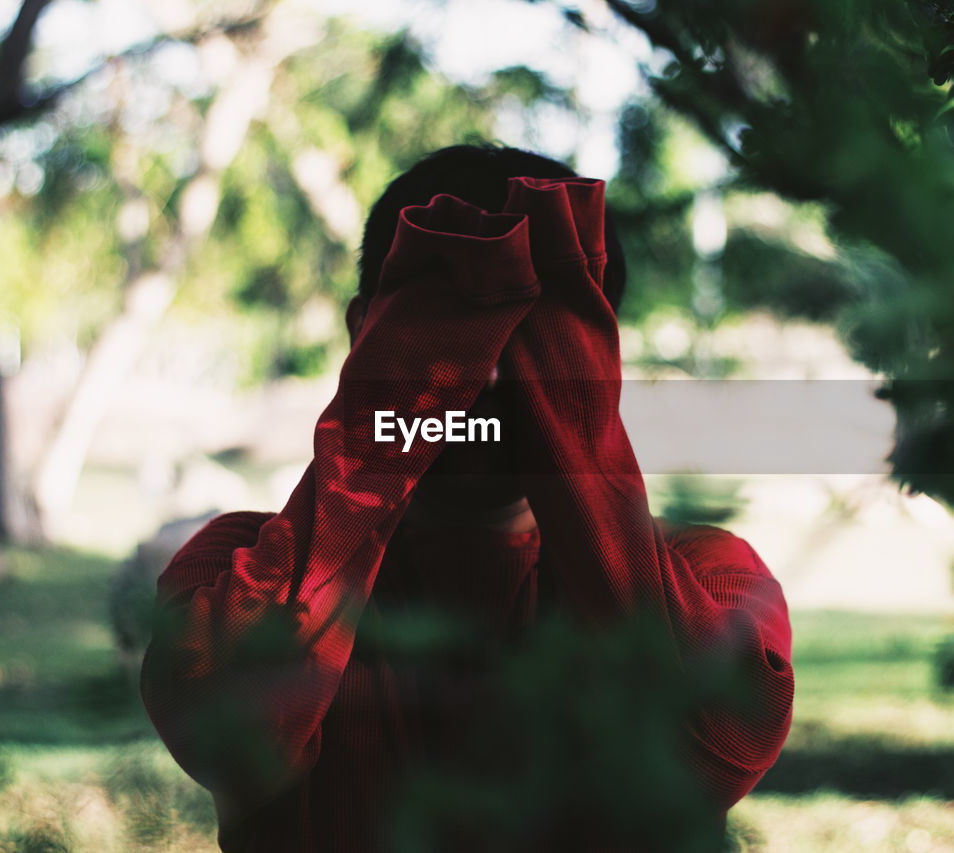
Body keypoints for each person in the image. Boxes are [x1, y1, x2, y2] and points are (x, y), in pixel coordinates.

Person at [140, 144, 794, 853]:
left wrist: (567, 427)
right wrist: (391, 414)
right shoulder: (237, 567)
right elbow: (233, 737)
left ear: (594, 360)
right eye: (443, 338)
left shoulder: (709, 576)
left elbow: (707, 745)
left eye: (531, 343)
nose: (480, 381)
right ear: (371, 337)